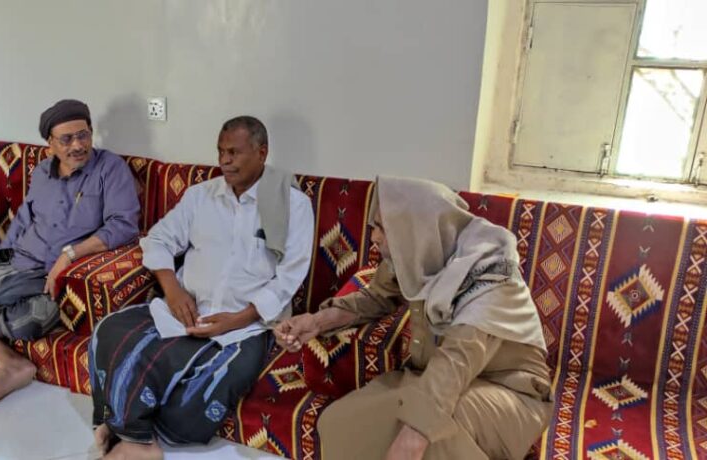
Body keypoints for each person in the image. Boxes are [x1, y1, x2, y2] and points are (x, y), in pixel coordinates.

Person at [274, 176, 552, 460]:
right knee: (340, 422)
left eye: (382, 227)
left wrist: (414, 436)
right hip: (437, 378)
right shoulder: (421, 252)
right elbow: (376, 297)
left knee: (433, 435)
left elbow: (458, 358)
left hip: (508, 391)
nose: (374, 237)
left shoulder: (492, 276)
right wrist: (316, 322)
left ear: (413, 227)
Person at [89, 116, 314, 460]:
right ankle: (133, 435)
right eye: (221, 151)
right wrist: (172, 291)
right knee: (110, 330)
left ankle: (129, 429)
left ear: (262, 153)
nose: (225, 161)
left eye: (234, 152)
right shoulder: (200, 196)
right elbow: (158, 240)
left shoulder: (292, 205)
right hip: (186, 309)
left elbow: (290, 276)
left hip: (245, 325)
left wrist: (237, 320)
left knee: (217, 378)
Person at [0, 99, 140, 404]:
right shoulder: (42, 172)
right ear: (50, 144)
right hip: (18, 261)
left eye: (83, 135)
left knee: (27, 322)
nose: (78, 145)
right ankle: (9, 361)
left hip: (50, 271)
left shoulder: (109, 168)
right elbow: (24, 218)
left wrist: (70, 255)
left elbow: (124, 225)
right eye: (66, 139)